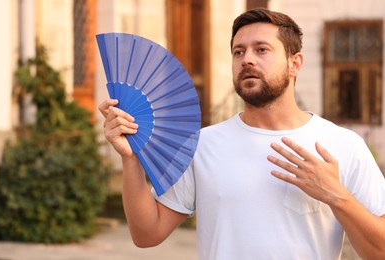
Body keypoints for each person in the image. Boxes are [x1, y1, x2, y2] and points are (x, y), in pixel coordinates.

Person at [99, 8, 385, 260]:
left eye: (261, 50)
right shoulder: (201, 145)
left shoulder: (344, 145)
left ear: (295, 63)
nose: (247, 59)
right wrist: (130, 159)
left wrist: (337, 196)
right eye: (239, 51)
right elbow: (147, 235)